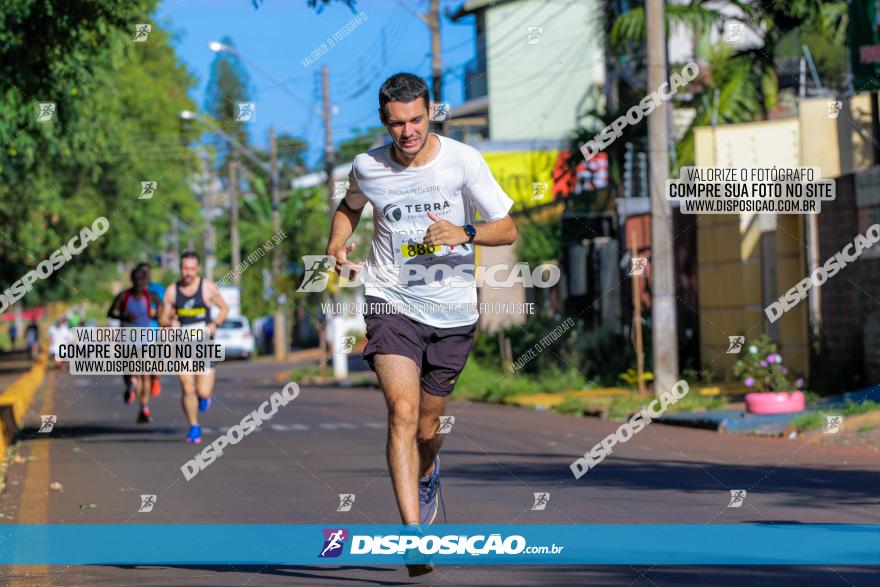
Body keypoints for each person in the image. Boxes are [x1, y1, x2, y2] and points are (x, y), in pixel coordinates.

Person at [324, 73, 516, 576]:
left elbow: (507, 226)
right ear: (384, 122)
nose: (407, 132)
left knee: (429, 426)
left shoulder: (462, 161)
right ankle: (413, 540)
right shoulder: (368, 166)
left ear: (430, 111)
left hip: (453, 312)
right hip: (391, 299)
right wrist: (335, 242)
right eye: (396, 124)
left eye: (415, 120)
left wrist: (465, 231)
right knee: (402, 411)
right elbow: (349, 207)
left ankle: (428, 472)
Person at [159, 251, 228, 444]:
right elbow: (163, 318)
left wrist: (216, 324)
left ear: (197, 269)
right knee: (187, 387)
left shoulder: (207, 288)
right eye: (184, 268)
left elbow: (224, 308)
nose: (188, 272)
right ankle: (194, 426)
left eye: (191, 268)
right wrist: (168, 320)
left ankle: (205, 397)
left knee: (202, 392)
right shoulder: (172, 291)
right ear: (180, 268)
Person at [108, 264, 155, 423]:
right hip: (127, 339)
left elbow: (161, 312)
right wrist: (124, 318)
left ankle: (144, 407)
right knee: (129, 372)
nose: (140, 282)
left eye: (143, 279)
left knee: (145, 375)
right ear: (132, 280)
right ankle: (130, 386)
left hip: (145, 340)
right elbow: (110, 313)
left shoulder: (151, 297)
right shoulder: (123, 296)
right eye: (137, 279)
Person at [147, 270, 166, 397]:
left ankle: (155, 379)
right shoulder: (132, 291)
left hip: (155, 330)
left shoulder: (159, 289)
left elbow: (165, 309)